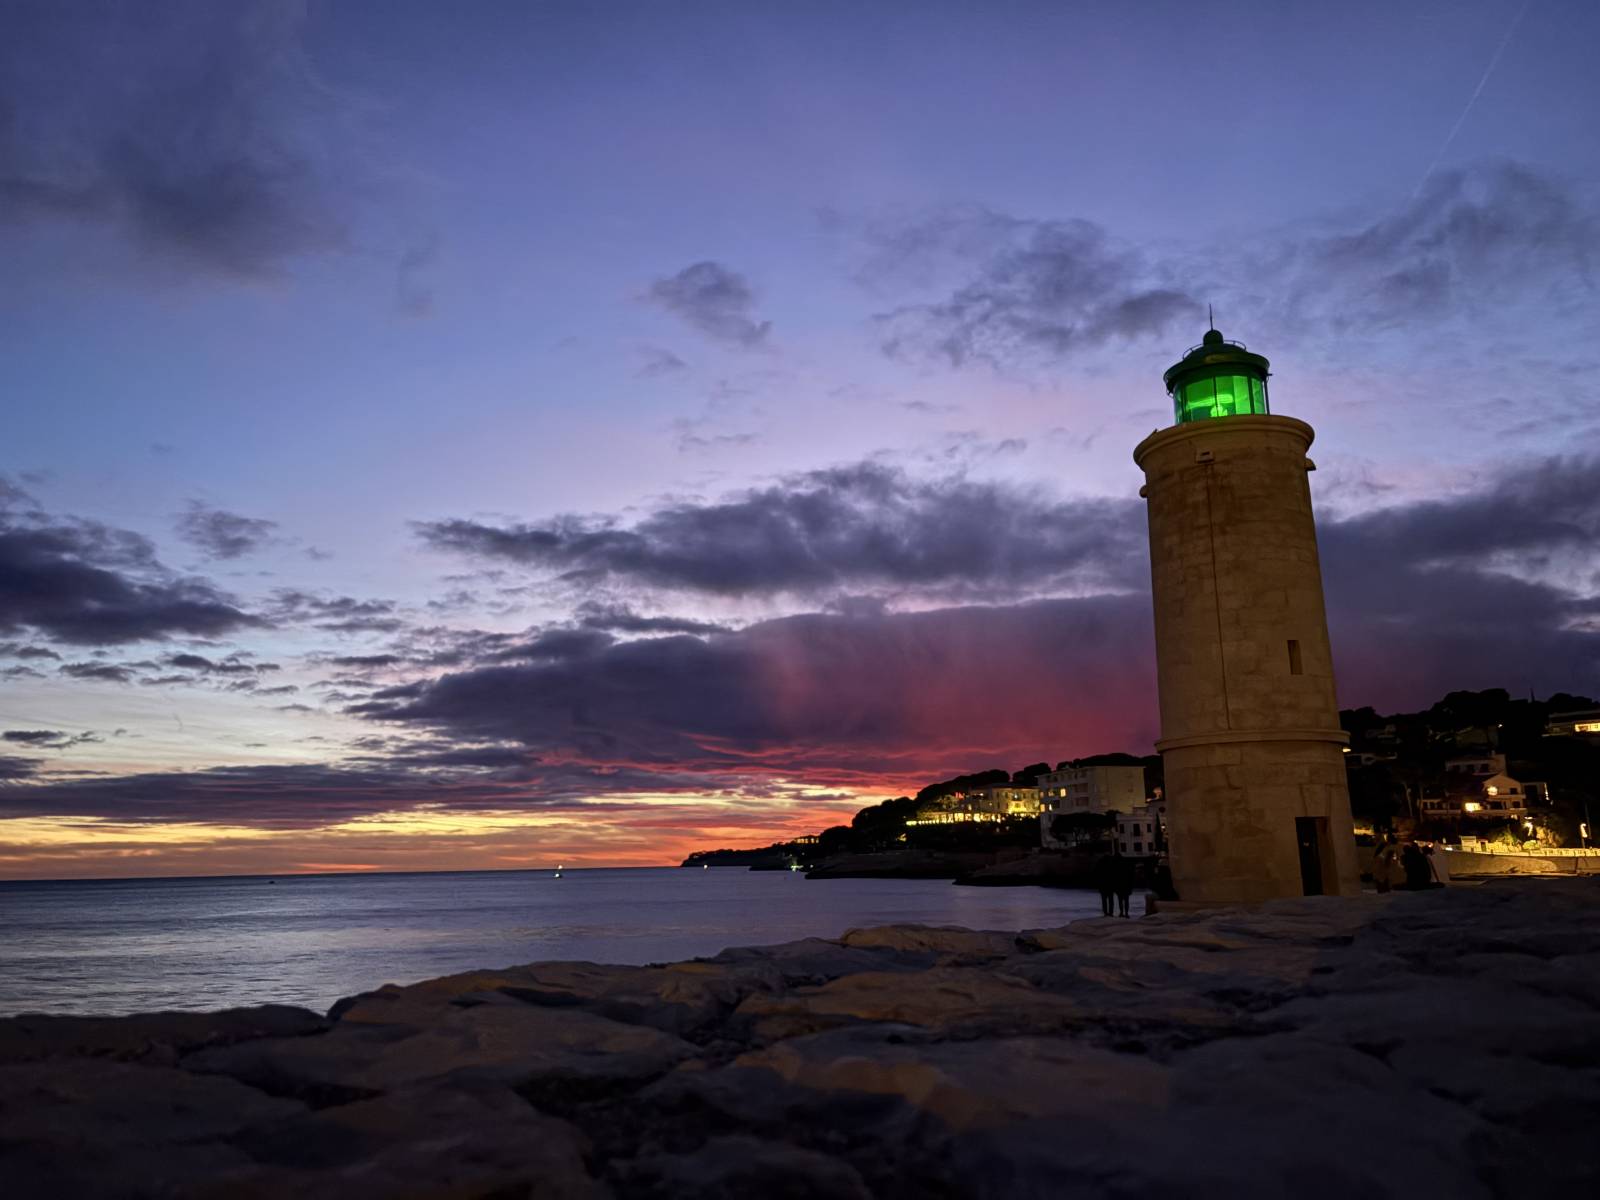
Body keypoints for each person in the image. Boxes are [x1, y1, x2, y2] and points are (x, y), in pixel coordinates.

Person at [1113, 853, 1137, 918]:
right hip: (1126, 885)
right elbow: (1131, 875)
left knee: (1120, 900)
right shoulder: (1127, 864)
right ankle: (1126, 913)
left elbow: (1115, 877)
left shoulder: (1116, 865)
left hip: (1119, 885)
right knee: (1126, 900)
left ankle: (1121, 912)